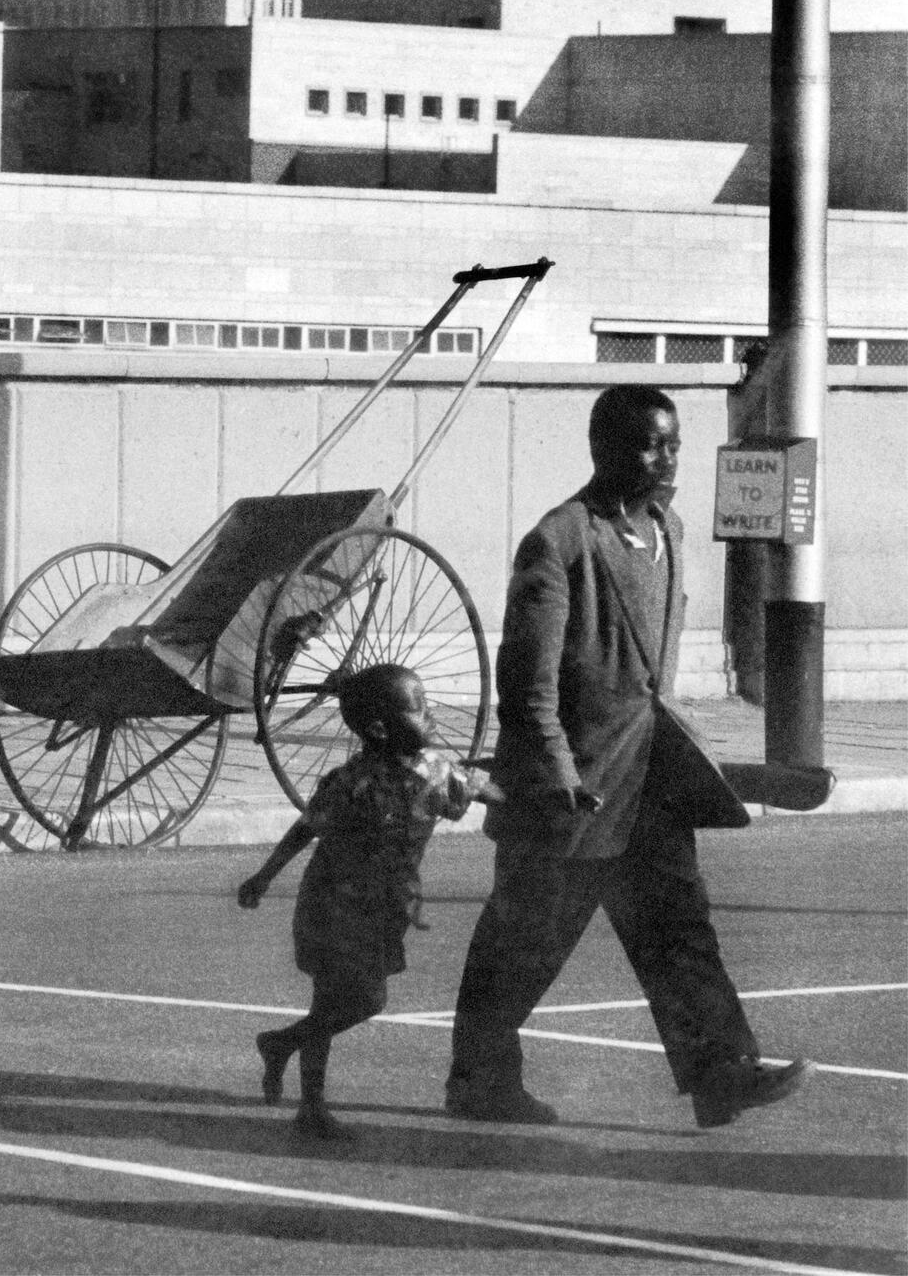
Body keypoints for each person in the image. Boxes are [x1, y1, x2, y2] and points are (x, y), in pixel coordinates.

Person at [444, 385, 811, 1130]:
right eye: (650, 442)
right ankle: (479, 1081)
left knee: (680, 928)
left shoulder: (669, 529)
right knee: (522, 948)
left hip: (650, 782)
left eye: (673, 442)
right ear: (604, 447)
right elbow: (528, 681)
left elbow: (650, 678)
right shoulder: (559, 539)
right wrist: (555, 775)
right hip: (573, 791)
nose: (667, 456)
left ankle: (720, 1073)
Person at [238, 663, 492, 1142]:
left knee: (342, 1001)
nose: (431, 716)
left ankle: (284, 1053)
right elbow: (307, 828)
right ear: (379, 728)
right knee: (357, 999)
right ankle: (304, 1092)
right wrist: (264, 876)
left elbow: (484, 789)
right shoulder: (350, 781)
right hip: (332, 904)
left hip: (383, 910)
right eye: (418, 709)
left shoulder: (436, 770)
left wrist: (550, 796)